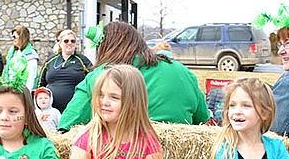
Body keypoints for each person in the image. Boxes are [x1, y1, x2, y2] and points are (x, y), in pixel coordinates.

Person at [59, 22, 211, 130]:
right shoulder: (181, 71)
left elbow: (69, 123)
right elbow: (202, 117)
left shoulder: (102, 75)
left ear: (106, 47)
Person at [38, 29, 92, 112]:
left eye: (72, 41)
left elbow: (93, 79)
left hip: (75, 108)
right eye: (66, 41)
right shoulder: (50, 61)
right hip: (51, 109)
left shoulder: (82, 60)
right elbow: (40, 84)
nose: (69, 43)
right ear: (60, 43)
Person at [4, 25, 39, 91]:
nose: (13, 39)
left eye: (14, 37)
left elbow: (32, 75)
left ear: (22, 37)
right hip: (11, 87)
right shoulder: (13, 52)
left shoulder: (30, 53)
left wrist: (27, 92)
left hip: (23, 89)